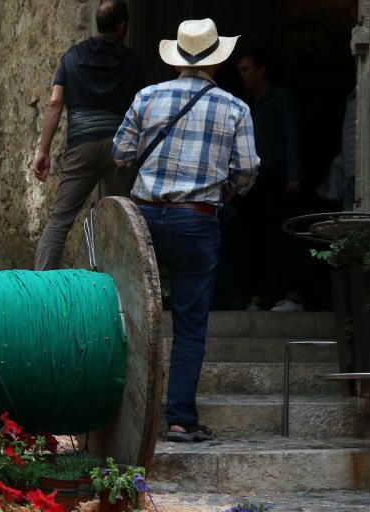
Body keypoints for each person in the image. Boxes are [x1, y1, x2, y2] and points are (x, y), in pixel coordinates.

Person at [112, 18, 260, 442]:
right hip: (196, 218)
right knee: (190, 321)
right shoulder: (235, 107)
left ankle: (126, 413)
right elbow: (247, 169)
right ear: (217, 60)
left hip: (142, 215)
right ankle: (178, 419)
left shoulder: (148, 96)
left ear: (177, 56)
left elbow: (120, 153)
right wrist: (228, 192)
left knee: (133, 314)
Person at [32, 0, 143, 270]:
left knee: (60, 220)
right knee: (128, 220)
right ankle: (130, 290)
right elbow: (142, 107)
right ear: (123, 27)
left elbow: (55, 103)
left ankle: (40, 286)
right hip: (120, 147)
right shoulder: (132, 61)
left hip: (81, 146)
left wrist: (43, 150)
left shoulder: (72, 56)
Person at [235, 50, 303, 312]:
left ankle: (292, 294)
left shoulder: (280, 98)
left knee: (282, 236)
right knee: (256, 238)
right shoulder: (244, 103)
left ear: (261, 70)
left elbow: (291, 134)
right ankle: (261, 295)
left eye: (247, 69)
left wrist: (294, 174)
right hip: (253, 179)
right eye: (240, 70)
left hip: (278, 176)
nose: (243, 76)